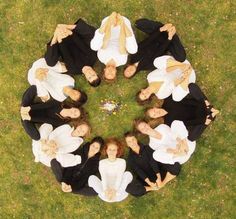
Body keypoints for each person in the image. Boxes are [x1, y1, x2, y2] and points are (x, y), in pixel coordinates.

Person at [145, 83, 219, 141]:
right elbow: (187, 123)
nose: (156, 113)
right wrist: (201, 121)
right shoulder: (167, 123)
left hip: (196, 105)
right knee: (191, 138)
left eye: (154, 111)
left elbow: (187, 101)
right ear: (155, 118)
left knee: (191, 86)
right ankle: (208, 117)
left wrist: (201, 104)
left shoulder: (167, 100)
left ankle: (208, 107)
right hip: (196, 118)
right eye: (154, 115)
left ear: (154, 107)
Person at [44, 19, 101, 87]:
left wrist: (59, 38)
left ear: (86, 79)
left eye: (89, 77)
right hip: (73, 34)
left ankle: (56, 34)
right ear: (96, 72)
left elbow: (66, 54)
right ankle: (67, 26)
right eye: (93, 75)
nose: (89, 73)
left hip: (62, 43)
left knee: (50, 62)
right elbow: (80, 44)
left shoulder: (73, 70)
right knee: (94, 35)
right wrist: (69, 32)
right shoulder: (93, 57)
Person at [124, 133, 181, 197]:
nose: (132, 142)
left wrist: (158, 177)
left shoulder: (147, 147)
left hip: (159, 171)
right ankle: (153, 188)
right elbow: (138, 171)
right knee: (128, 188)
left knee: (176, 164)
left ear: (136, 139)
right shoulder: (130, 158)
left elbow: (153, 162)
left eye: (133, 139)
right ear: (127, 144)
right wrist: (149, 183)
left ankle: (162, 184)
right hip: (146, 180)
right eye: (129, 141)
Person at [90, 12, 137, 82]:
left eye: (108, 73)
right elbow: (122, 42)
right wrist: (121, 24)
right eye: (112, 74)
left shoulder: (101, 57)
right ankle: (122, 22)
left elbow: (106, 40)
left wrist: (110, 22)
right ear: (116, 72)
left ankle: (109, 20)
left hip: (108, 26)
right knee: (133, 50)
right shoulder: (122, 61)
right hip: (124, 28)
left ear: (104, 70)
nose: (110, 72)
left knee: (94, 47)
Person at [88, 138, 133, 202]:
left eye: (114, 150)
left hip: (120, 192)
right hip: (105, 192)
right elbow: (104, 177)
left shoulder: (122, 162)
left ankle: (115, 194)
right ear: (106, 150)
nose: (112, 152)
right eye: (110, 149)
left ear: (117, 151)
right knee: (91, 178)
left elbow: (119, 177)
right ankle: (106, 195)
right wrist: (106, 190)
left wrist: (115, 191)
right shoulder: (102, 162)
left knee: (128, 174)